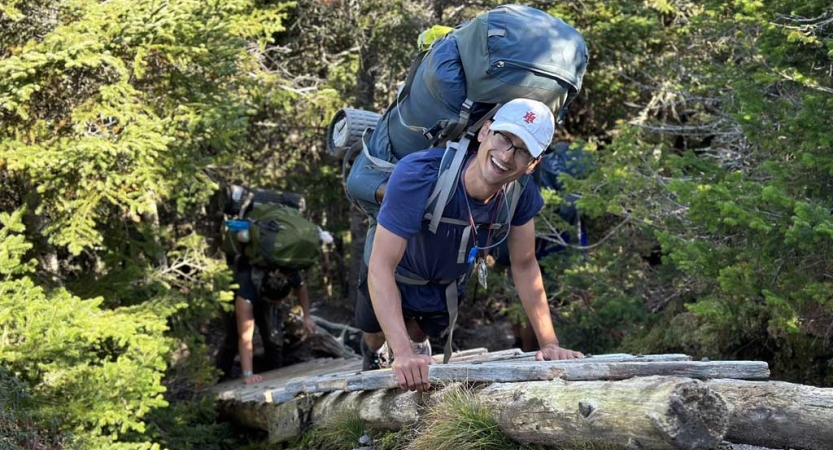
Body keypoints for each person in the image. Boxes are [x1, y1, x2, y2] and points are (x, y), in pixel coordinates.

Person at [355, 98, 584, 392]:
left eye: (523, 150)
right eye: (504, 138)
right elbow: (381, 266)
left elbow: (525, 265)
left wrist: (550, 344)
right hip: (391, 274)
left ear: (533, 164)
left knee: (415, 332)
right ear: (484, 132)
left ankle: (412, 342)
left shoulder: (519, 194)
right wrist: (402, 355)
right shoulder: (420, 174)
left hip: (443, 285)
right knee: (375, 335)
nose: (507, 155)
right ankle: (374, 351)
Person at [217, 257, 316, 384]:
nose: (283, 303)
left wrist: (307, 317)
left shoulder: (289, 272)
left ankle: (275, 370)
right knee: (233, 338)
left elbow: (301, 288)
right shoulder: (246, 294)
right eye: (279, 302)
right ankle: (220, 375)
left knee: (273, 338)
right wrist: (248, 375)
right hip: (240, 295)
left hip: (265, 295)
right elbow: (245, 338)